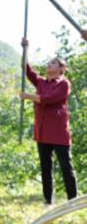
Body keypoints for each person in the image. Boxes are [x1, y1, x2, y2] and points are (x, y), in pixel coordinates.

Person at [19, 38, 77, 206]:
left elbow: (48, 99)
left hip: (58, 132)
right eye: (49, 63)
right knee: (46, 168)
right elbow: (26, 69)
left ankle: (72, 201)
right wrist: (25, 49)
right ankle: (47, 201)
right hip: (42, 131)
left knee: (66, 166)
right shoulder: (41, 82)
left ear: (61, 69)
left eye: (53, 63)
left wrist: (29, 96)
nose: (49, 65)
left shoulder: (64, 84)